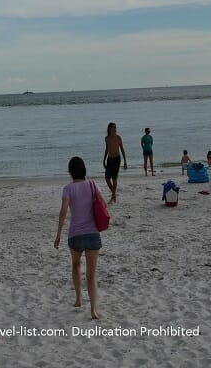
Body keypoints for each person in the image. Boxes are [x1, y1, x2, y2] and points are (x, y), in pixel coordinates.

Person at [54, 156, 104, 321]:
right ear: (83, 170)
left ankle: (78, 299)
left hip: (75, 234)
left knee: (76, 266)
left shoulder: (68, 188)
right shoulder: (92, 184)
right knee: (92, 274)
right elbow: (103, 204)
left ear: (70, 171)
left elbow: (63, 211)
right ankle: (93, 310)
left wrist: (58, 234)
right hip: (92, 233)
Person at [103, 123, 126, 203]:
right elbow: (107, 149)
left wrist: (125, 161)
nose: (115, 129)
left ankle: (113, 196)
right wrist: (104, 159)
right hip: (109, 159)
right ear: (109, 129)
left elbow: (122, 149)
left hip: (117, 159)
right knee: (107, 178)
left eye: (115, 128)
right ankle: (114, 194)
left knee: (114, 178)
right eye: (113, 128)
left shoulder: (118, 138)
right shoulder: (107, 138)